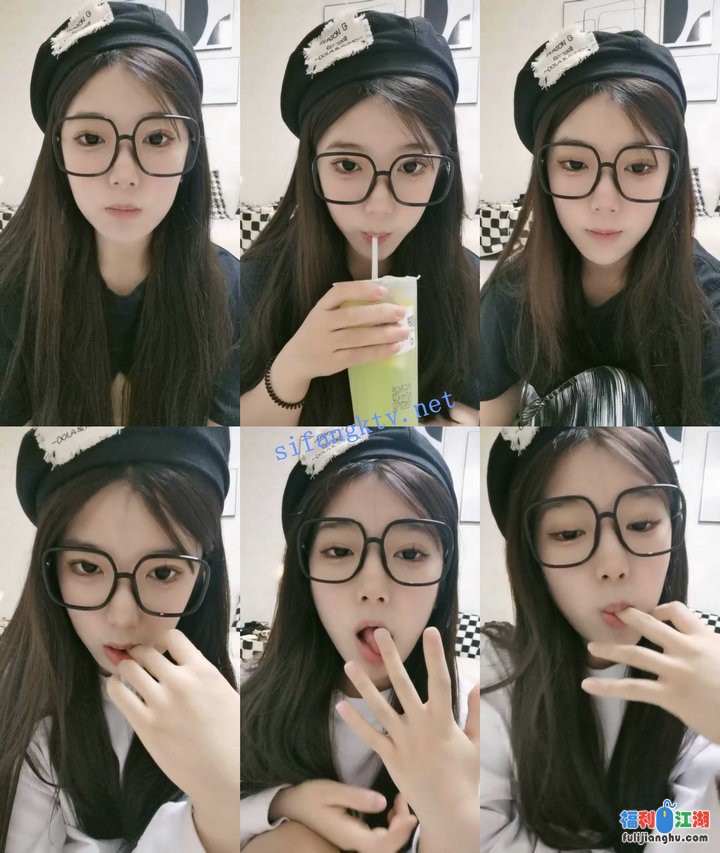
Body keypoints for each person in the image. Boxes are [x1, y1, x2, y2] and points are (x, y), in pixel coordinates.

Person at [0, 427, 239, 852]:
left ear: (203, 573)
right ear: (50, 568)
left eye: (163, 572)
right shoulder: (22, 707)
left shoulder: (238, 696)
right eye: (88, 567)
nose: (123, 617)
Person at [481, 426, 720, 851]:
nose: (613, 565)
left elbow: (698, 829)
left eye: (642, 524)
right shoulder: (492, 675)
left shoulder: (702, 673)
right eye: (569, 534)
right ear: (532, 556)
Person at [0, 2, 240, 425]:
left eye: (157, 137)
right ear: (58, 149)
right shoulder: (12, 284)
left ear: (191, 149)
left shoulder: (229, 287)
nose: (124, 175)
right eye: (91, 138)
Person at [240, 428, 479, 851]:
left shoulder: (470, 720)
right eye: (339, 551)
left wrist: (454, 814)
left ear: (445, 572)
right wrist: (283, 803)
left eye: (409, 553)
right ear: (304, 574)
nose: (373, 587)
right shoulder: (244, 701)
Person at [240, 11, 480, 426]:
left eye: (412, 166)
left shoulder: (469, 283)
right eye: (348, 165)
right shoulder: (253, 283)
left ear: (443, 168)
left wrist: (459, 423)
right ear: (312, 167)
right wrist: (293, 368)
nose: (380, 207)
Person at [479, 28, 720, 426]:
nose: (604, 202)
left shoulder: (708, 312)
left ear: (671, 173)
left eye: (638, 167)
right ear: (545, 171)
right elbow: (491, 425)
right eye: (575, 164)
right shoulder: (511, 295)